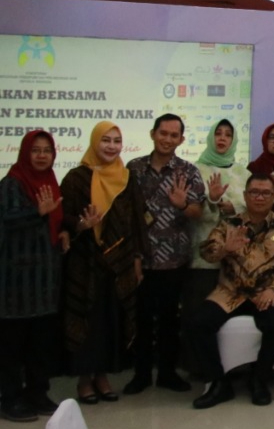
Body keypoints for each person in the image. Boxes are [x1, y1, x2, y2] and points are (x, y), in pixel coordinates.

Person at [190, 173, 274, 409]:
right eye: (254, 192)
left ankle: (259, 379)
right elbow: (206, 252)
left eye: (265, 193)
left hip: (268, 292)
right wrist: (224, 249)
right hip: (231, 292)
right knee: (198, 322)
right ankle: (218, 383)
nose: (259, 197)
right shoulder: (229, 224)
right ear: (245, 195)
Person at [61, 122, 147, 405]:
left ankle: (103, 376)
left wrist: (137, 259)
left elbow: (136, 221)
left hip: (119, 264)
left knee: (111, 320)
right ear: (94, 142)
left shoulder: (126, 178)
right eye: (105, 140)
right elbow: (63, 218)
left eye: (116, 141)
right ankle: (84, 380)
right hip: (85, 262)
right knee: (87, 319)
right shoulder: (76, 177)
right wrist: (80, 225)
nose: (111, 146)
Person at [124, 113, 205, 395]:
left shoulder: (188, 171)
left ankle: (168, 373)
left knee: (170, 319)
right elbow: (127, 215)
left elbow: (198, 212)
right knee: (142, 319)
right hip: (141, 258)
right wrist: (134, 256)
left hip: (175, 259)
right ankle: (141, 374)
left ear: (181, 140)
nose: (167, 139)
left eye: (174, 135)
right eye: (163, 133)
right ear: (152, 134)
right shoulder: (133, 169)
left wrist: (182, 205)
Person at [0, 131, 64, 421]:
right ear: (25, 153)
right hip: (16, 283)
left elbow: (55, 221)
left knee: (40, 344)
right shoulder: (11, 183)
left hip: (44, 281)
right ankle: (10, 398)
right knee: (12, 346)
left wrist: (65, 230)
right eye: (35, 150)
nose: (41, 155)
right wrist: (36, 212)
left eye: (47, 150)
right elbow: (7, 219)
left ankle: (37, 392)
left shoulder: (49, 181)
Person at [185, 119, 250, 378]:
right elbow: (192, 211)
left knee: (230, 314)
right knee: (198, 312)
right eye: (218, 133)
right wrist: (211, 200)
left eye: (228, 135)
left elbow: (253, 209)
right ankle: (200, 370)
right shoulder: (195, 170)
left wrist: (234, 208)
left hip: (236, 259)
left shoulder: (243, 173)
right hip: (203, 253)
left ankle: (234, 367)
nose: (222, 138)